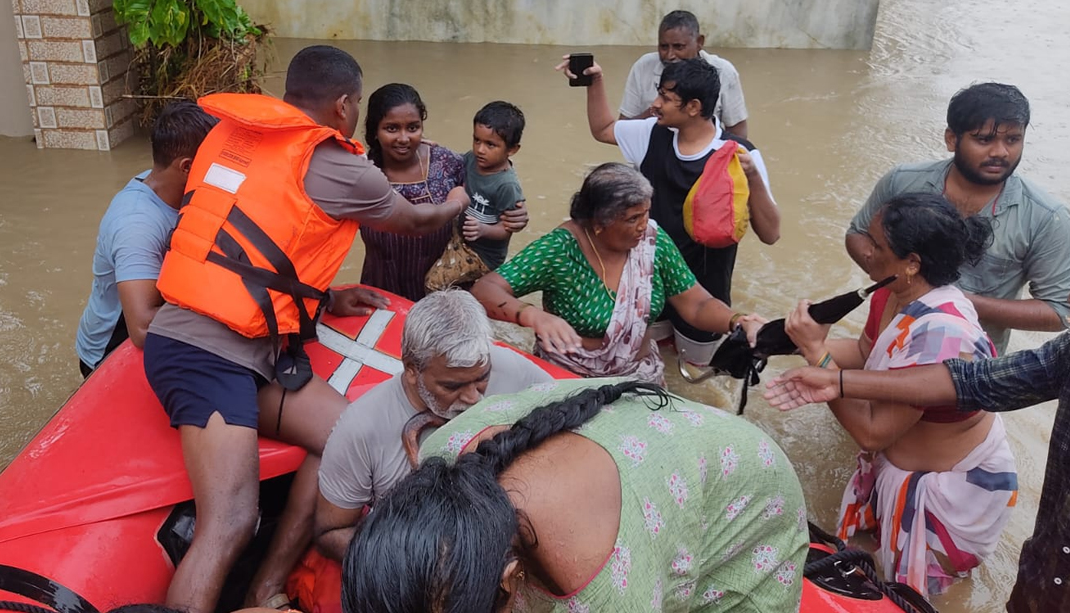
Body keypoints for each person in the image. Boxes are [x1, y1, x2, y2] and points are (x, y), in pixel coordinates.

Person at [141, 45, 471, 613]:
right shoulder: (337, 164)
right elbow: (415, 219)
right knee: (231, 521)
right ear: (344, 105)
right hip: (199, 351)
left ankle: (264, 589)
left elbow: (249, 242)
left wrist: (326, 295)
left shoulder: (230, 136)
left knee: (344, 440)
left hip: (249, 350)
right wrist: (459, 199)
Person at [342, 378, 809, 612]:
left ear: (510, 580)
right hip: (620, 441)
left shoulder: (603, 591)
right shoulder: (442, 464)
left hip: (746, 501)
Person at [783, 192, 1016, 595]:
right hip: (899, 470)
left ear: (912, 263)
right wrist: (779, 340)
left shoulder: (943, 332)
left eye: (875, 245)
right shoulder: (894, 294)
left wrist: (818, 358)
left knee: (914, 599)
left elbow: (874, 433)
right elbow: (862, 353)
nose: (865, 251)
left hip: (949, 497)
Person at [765, 332, 1068, 613]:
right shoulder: (1066, 352)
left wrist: (831, 372)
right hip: (1042, 575)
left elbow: (873, 432)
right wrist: (839, 381)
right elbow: (972, 381)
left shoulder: (944, 327)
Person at [563, 55, 780, 367]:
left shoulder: (739, 155)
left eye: (665, 97)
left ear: (692, 107)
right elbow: (604, 129)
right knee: (646, 361)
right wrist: (595, 81)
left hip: (705, 295)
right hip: (648, 287)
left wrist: (754, 179)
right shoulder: (652, 133)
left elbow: (771, 234)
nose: (654, 104)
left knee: (694, 372)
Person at [472, 162, 767, 383]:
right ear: (598, 222)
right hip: (569, 379)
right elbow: (485, 290)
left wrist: (737, 321)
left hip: (638, 376)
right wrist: (531, 314)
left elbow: (696, 303)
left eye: (646, 213)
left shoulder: (652, 240)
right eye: (632, 218)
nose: (644, 224)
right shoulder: (559, 249)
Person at [313, 290, 550, 561]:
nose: (474, 397)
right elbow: (330, 533)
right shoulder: (362, 427)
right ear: (412, 370)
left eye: (482, 378)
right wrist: (418, 561)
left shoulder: (511, 369)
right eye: (452, 385)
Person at [845, 82, 1070, 354]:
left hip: (968, 369)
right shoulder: (902, 182)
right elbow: (858, 235)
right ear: (952, 139)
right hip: (888, 341)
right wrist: (895, 281)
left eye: (1012, 139)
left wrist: (948, 301)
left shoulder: (1046, 218)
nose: (1000, 152)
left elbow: (1059, 312)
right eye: (984, 139)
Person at [74, 101, 216, 377]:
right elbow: (141, 328)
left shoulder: (168, 186)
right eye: (215, 165)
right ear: (187, 167)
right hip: (110, 347)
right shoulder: (136, 224)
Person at [359, 84, 527, 301]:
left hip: (444, 292)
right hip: (382, 292)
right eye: (392, 129)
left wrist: (516, 216)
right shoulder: (360, 174)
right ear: (374, 130)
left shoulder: (445, 163)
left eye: (413, 128)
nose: (403, 138)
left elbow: (490, 184)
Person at [618, 10, 750, 137]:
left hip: (704, 155)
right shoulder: (643, 67)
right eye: (664, 47)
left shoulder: (724, 72)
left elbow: (737, 132)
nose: (670, 55)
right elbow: (622, 129)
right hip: (652, 153)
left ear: (699, 43)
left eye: (678, 47)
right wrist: (654, 114)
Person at [460, 101, 526, 271]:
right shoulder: (471, 159)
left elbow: (507, 229)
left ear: (512, 149)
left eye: (490, 145)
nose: (480, 150)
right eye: (476, 140)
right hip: (460, 240)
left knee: (435, 282)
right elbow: (451, 164)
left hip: (483, 255)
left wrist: (483, 230)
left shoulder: (507, 185)